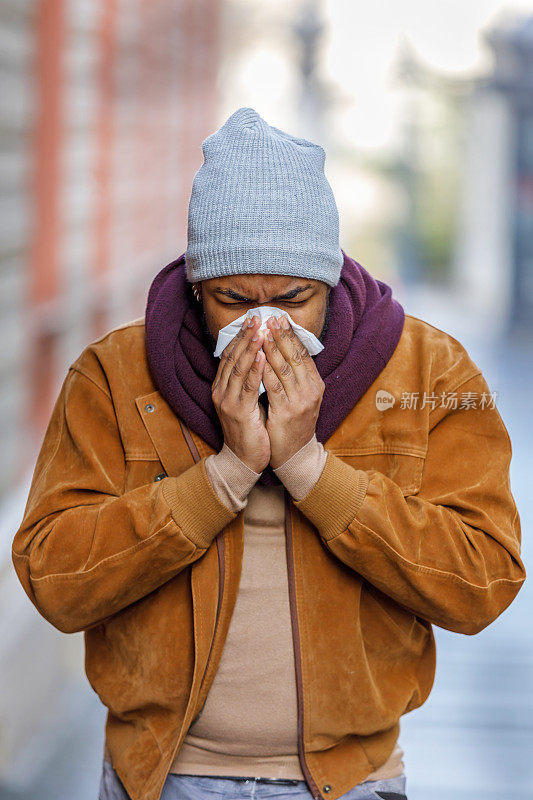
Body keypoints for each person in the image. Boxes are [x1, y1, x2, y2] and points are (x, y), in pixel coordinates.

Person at [12, 107, 525, 800]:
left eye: (293, 298)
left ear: (331, 281)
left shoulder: (428, 373)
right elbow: (56, 578)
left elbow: (482, 582)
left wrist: (309, 470)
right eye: (231, 299)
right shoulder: (113, 375)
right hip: (161, 779)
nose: (263, 326)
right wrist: (221, 476)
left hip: (351, 782)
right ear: (196, 288)